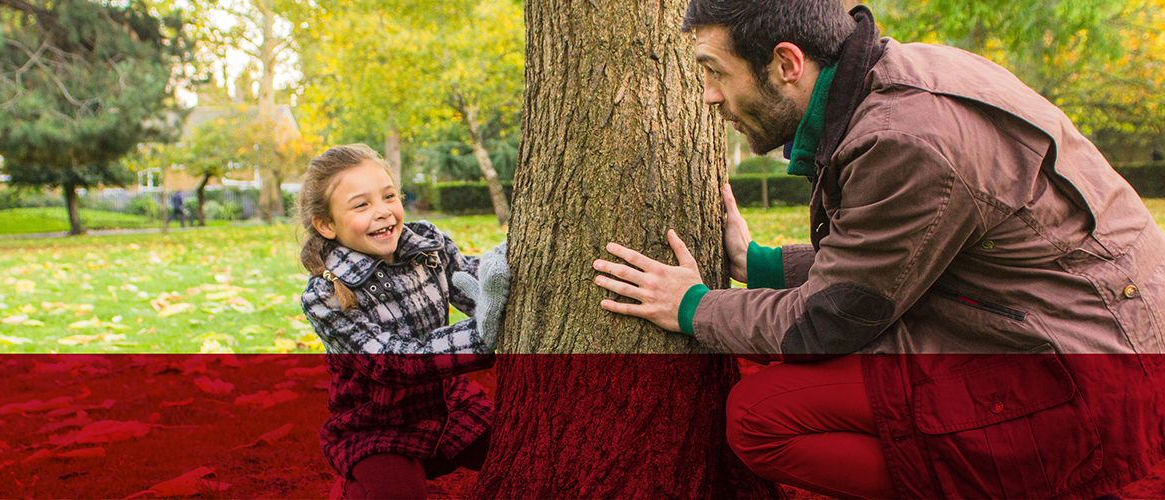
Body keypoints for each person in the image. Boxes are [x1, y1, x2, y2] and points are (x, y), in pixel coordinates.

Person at [592, 1, 1165, 498]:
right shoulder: (898, 80)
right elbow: (903, 254)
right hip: (1081, 325)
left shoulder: (902, 140)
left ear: (787, 64)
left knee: (759, 417)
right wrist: (760, 265)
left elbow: (828, 321)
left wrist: (691, 307)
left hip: (1083, 372)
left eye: (715, 71)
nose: (709, 96)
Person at [298, 144, 509, 499]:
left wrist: (501, 274)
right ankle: (354, 491)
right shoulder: (325, 296)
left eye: (389, 196)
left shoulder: (427, 246)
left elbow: (474, 285)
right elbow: (393, 362)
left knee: (529, 453)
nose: (383, 211)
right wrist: (479, 337)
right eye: (362, 205)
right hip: (379, 426)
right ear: (327, 225)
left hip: (452, 408)